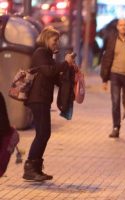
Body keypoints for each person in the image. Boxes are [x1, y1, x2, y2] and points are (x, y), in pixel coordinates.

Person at [23, 26, 75, 181]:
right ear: (46, 38)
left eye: (58, 40)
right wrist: (65, 64)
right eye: (55, 40)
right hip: (37, 98)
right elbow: (49, 71)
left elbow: (55, 78)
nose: (56, 43)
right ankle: (30, 168)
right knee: (43, 133)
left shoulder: (48, 56)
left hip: (43, 98)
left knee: (44, 133)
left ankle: (36, 168)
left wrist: (71, 71)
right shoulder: (40, 53)